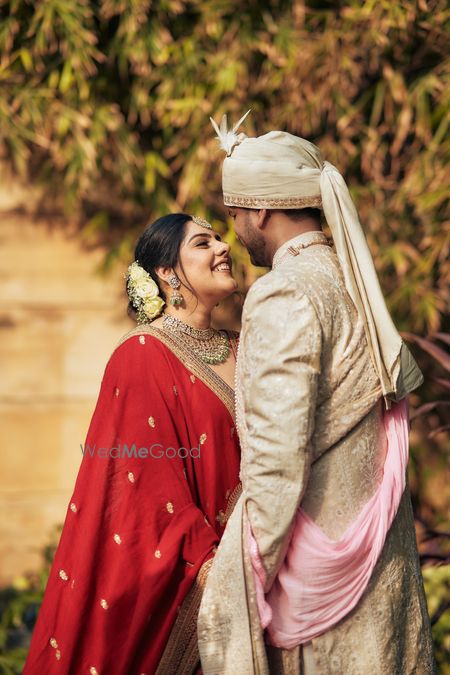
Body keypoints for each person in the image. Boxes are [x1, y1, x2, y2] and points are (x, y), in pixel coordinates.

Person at [197, 121, 436, 674]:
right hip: (385, 562)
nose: (235, 233)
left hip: (323, 588)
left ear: (261, 210)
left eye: (234, 215)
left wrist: (241, 577)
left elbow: (277, 460)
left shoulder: (284, 291)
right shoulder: (351, 278)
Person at [23, 213, 242, 675]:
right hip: (212, 576)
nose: (223, 247)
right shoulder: (143, 353)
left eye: (220, 238)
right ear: (166, 273)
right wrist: (218, 565)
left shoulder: (248, 347)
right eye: (203, 243)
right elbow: (145, 487)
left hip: (271, 563)